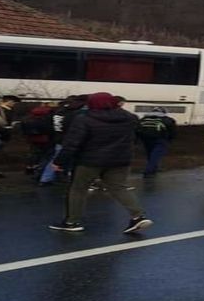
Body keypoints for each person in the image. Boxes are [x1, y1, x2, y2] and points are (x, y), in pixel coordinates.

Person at [48, 92, 152, 234]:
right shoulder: (130, 118)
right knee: (119, 188)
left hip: (89, 160)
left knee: (78, 189)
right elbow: (136, 137)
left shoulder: (84, 119)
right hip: (120, 160)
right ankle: (138, 216)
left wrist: (59, 161)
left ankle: (72, 222)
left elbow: (72, 143)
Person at [136, 107, 177, 177]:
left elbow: (137, 128)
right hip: (160, 139)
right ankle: (149, 170)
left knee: (150, 154)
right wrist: (170, 139)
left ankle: (153, 169)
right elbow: (172, 131)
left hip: (145, 139)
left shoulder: (144, 119)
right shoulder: (167, 119)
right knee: (156, 155)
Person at [19, 103, 56, 178]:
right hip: (45, 139)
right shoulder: (47, 118)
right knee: (45, 156)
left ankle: (30, 167)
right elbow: (50, 130)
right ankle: (39, 170)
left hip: (32, 139)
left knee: (33, 153)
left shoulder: (28, 118)